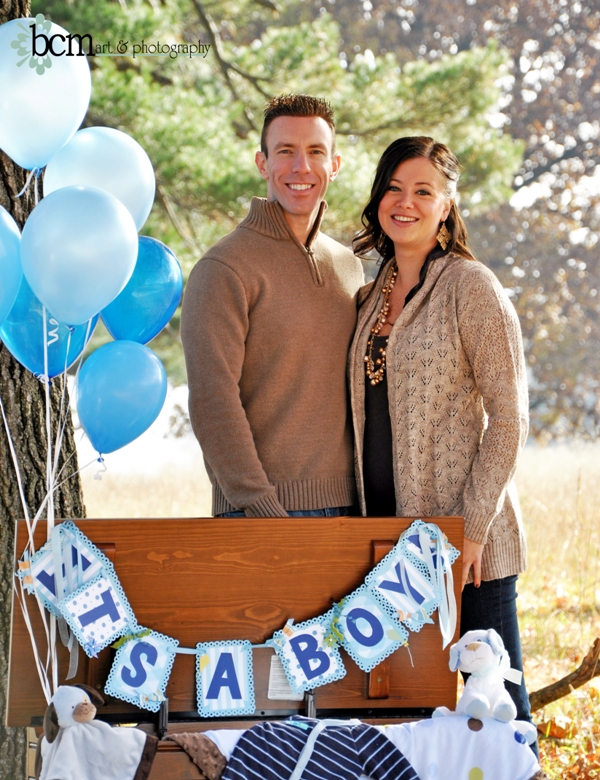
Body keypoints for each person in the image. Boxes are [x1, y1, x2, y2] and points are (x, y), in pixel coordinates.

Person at [347, 136, 533, 730]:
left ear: (447, 205)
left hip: (467, 548)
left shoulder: (470, 287)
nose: (406, 202)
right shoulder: (370, 295)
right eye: (394, 188)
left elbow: (510, 417)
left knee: (498, 715)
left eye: (423, 191)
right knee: (407, 717)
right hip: (391, 545)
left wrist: (471, 528)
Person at [180, 95, 364, 518]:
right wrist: (259, 505)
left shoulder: (349, 266)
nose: (301, 167)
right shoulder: (223, 268)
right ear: (262, 164)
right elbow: (212, 399)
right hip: (261, 511)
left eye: (315, 151)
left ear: (334, 165)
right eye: (285, 152)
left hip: (352, 510)